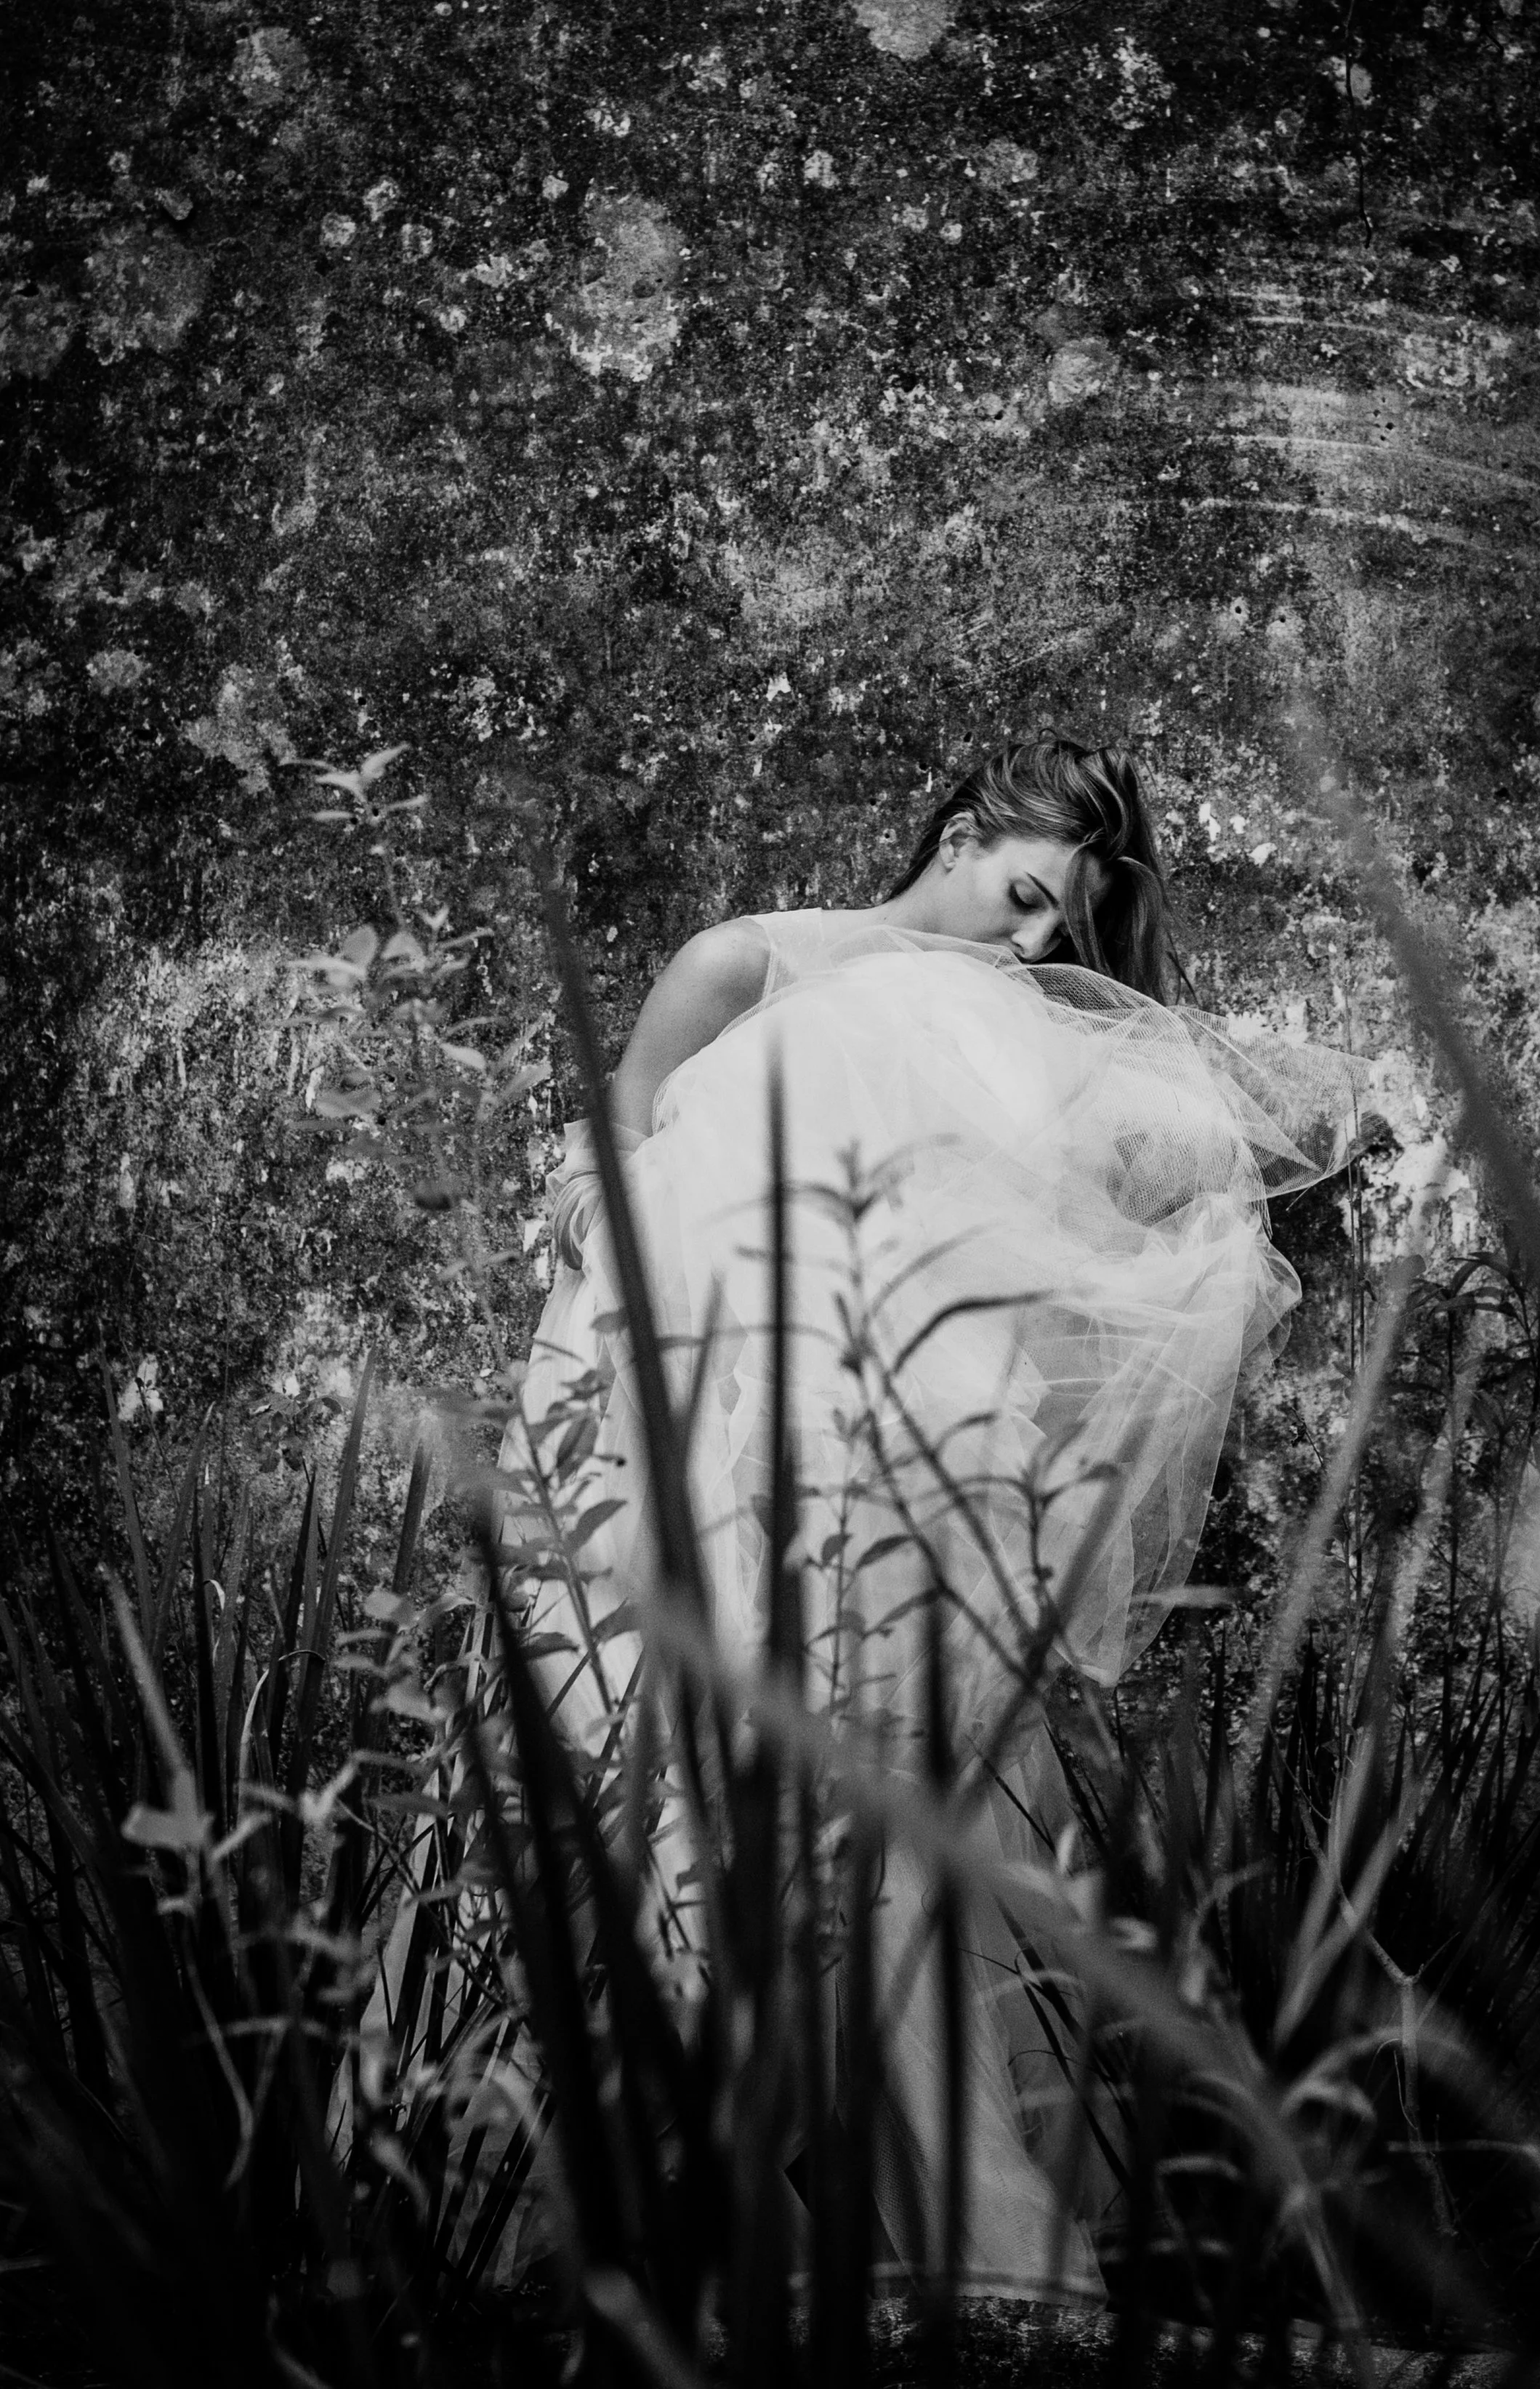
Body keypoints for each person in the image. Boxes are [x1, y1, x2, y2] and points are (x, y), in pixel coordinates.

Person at [504, 735, 1371, 2298]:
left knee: (862, 1816)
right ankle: (623, 2233)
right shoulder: (752, 963)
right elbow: (610, 1142)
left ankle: (894, 2246)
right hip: (678, 1404)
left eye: (1070, 927)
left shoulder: (1030, 1029)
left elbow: (1141, 1188)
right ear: (962, 832)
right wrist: (689, 1252)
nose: (1039, 947)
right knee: (641, 1777)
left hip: (889, 1453)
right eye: (1031, 898)